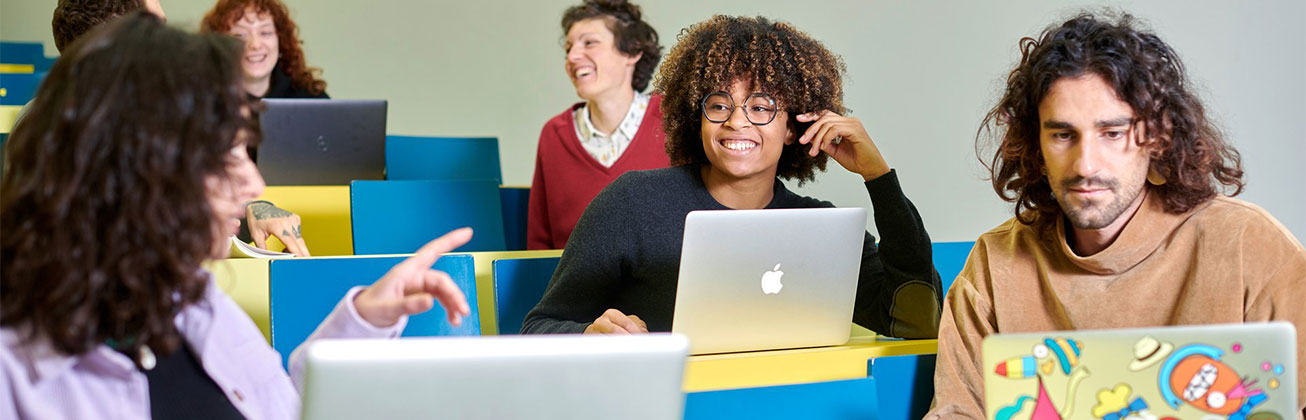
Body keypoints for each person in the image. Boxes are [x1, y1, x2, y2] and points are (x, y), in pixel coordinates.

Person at [0, 13, 471, 419]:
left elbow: (283, 410)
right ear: (140, 170)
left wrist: (365, 319)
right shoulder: (13, 365)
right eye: (227, 160)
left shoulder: (201, 303)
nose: (255, 188)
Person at [925, 12, 1306, 419]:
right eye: (1062, 134)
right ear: (1034, 144)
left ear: (1157, 138)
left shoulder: (1249, 244)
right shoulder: (994, 264)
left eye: (1113, 133)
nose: (1086, 164)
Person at [521, 15, 942, 338]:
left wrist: (878, 176)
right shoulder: (633, 202)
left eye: (761, 108)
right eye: (719, 105)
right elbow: (539, 327)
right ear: (696, 117)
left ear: (793, 126)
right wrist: (590, 337)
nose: (737, 122)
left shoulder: (820, 229)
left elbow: (912, 320)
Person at [526, 0, 669, 250]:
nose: (572, 57)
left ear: (632, 51)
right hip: (576, 289)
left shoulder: (673, 120)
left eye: (589, 43)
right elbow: (539, 244)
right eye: (569, 48)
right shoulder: (554, 134)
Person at [201, 0, 329, 100]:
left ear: (281, 41)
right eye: (239, 35)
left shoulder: (310, 100)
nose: (255, 45)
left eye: (265, 32)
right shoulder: (198, 102)